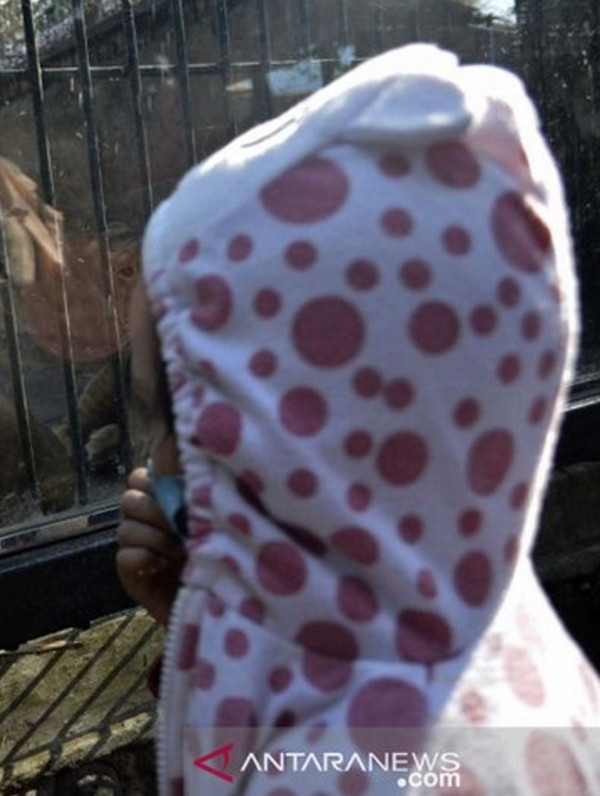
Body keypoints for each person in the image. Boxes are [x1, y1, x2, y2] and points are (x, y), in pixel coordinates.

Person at [116, 43, 600, 794]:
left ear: (286, 439)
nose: (152, 461)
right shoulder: (493, 647)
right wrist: (211, 618)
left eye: (169, 412)